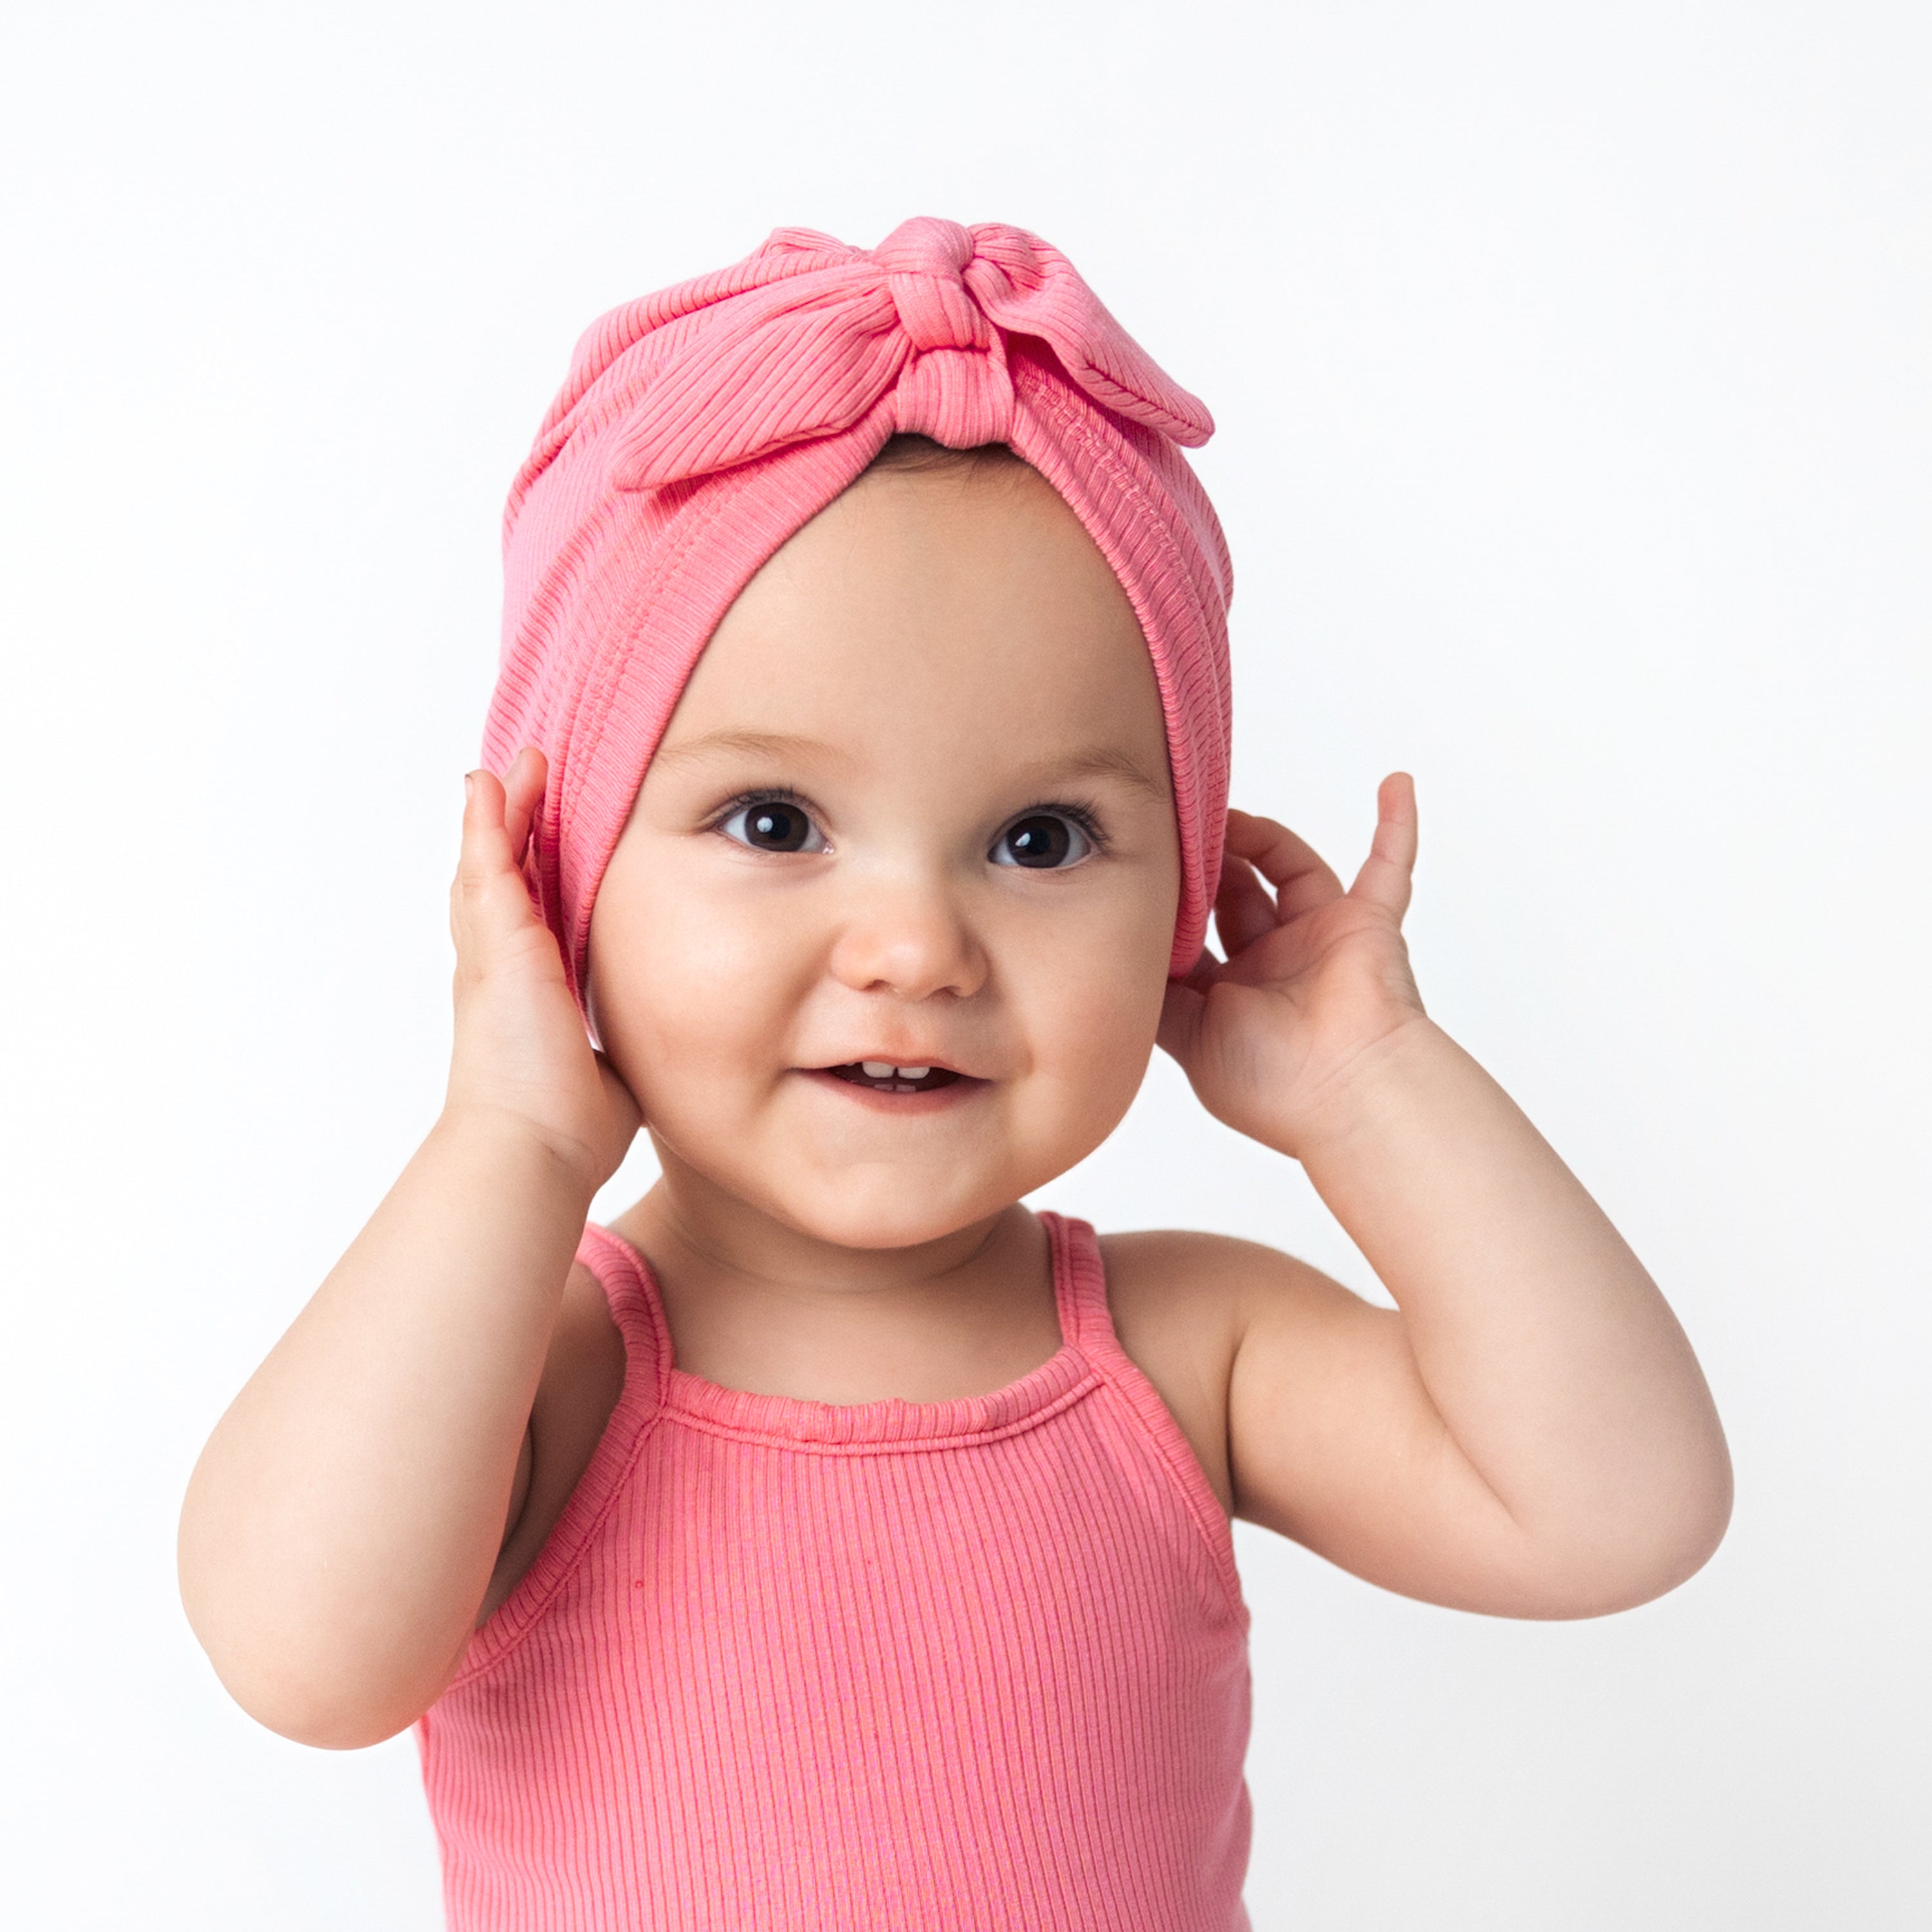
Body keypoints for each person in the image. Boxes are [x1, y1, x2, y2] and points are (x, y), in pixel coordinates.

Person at [177, 218, 1732, 1930]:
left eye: (1040, 838)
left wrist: (1369, 1085)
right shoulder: (537, 1377)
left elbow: (1617, 1511)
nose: (917, 947)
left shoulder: (1187, 1354)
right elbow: (301, 1659)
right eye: (774, 822)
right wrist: (509, 1141)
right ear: (560, 871)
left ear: (1182, 891)